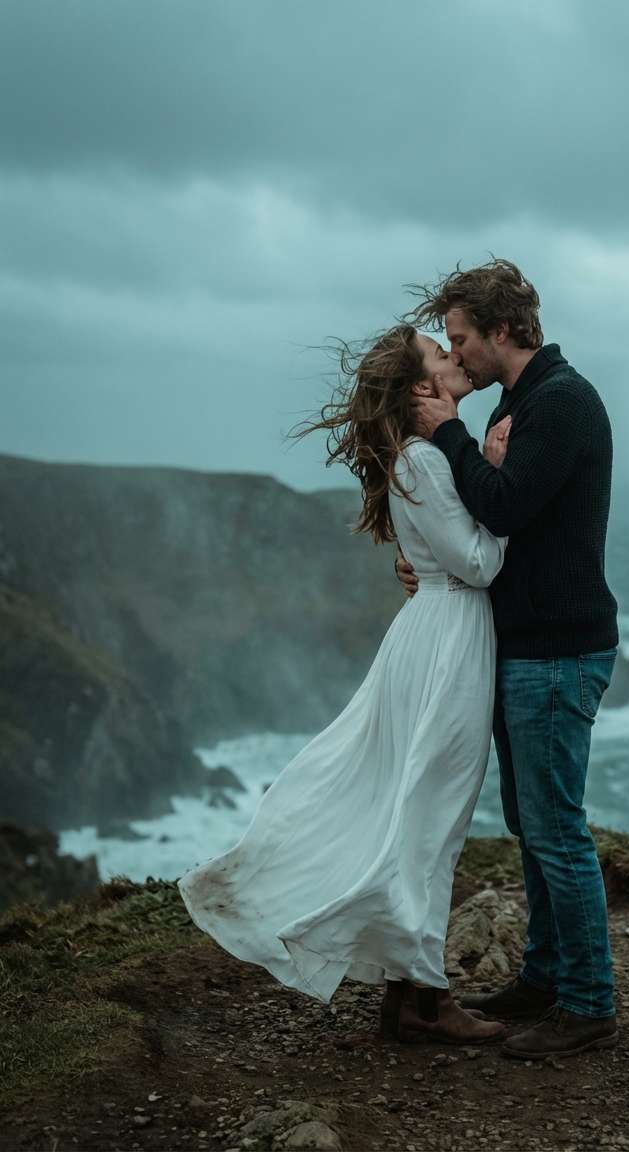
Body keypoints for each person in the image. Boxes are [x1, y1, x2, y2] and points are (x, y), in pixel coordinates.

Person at [177, 323, 513, 1045]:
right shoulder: (426, 459)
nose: (453, 355)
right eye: (440, 353)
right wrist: (496, 477)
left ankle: (410, 992)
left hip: (432, 632)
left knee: (419, 814)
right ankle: (424, 999)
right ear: (422, 386)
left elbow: (441, 554)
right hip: (450, 640)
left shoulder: (415, 457)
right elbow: (478, 564)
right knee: (432, 821)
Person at [399, 258, 620, 1059]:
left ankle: (589, 1003)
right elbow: (481, 518)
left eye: (461, 338)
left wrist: (447, 435)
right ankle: (545, 976)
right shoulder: (522, 401)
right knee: (533, 825)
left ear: (501, 330)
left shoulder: (560, 402)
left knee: (555, 828)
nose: (456, 353)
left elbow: (503, 506)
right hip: (528, 646)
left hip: (558, 651)